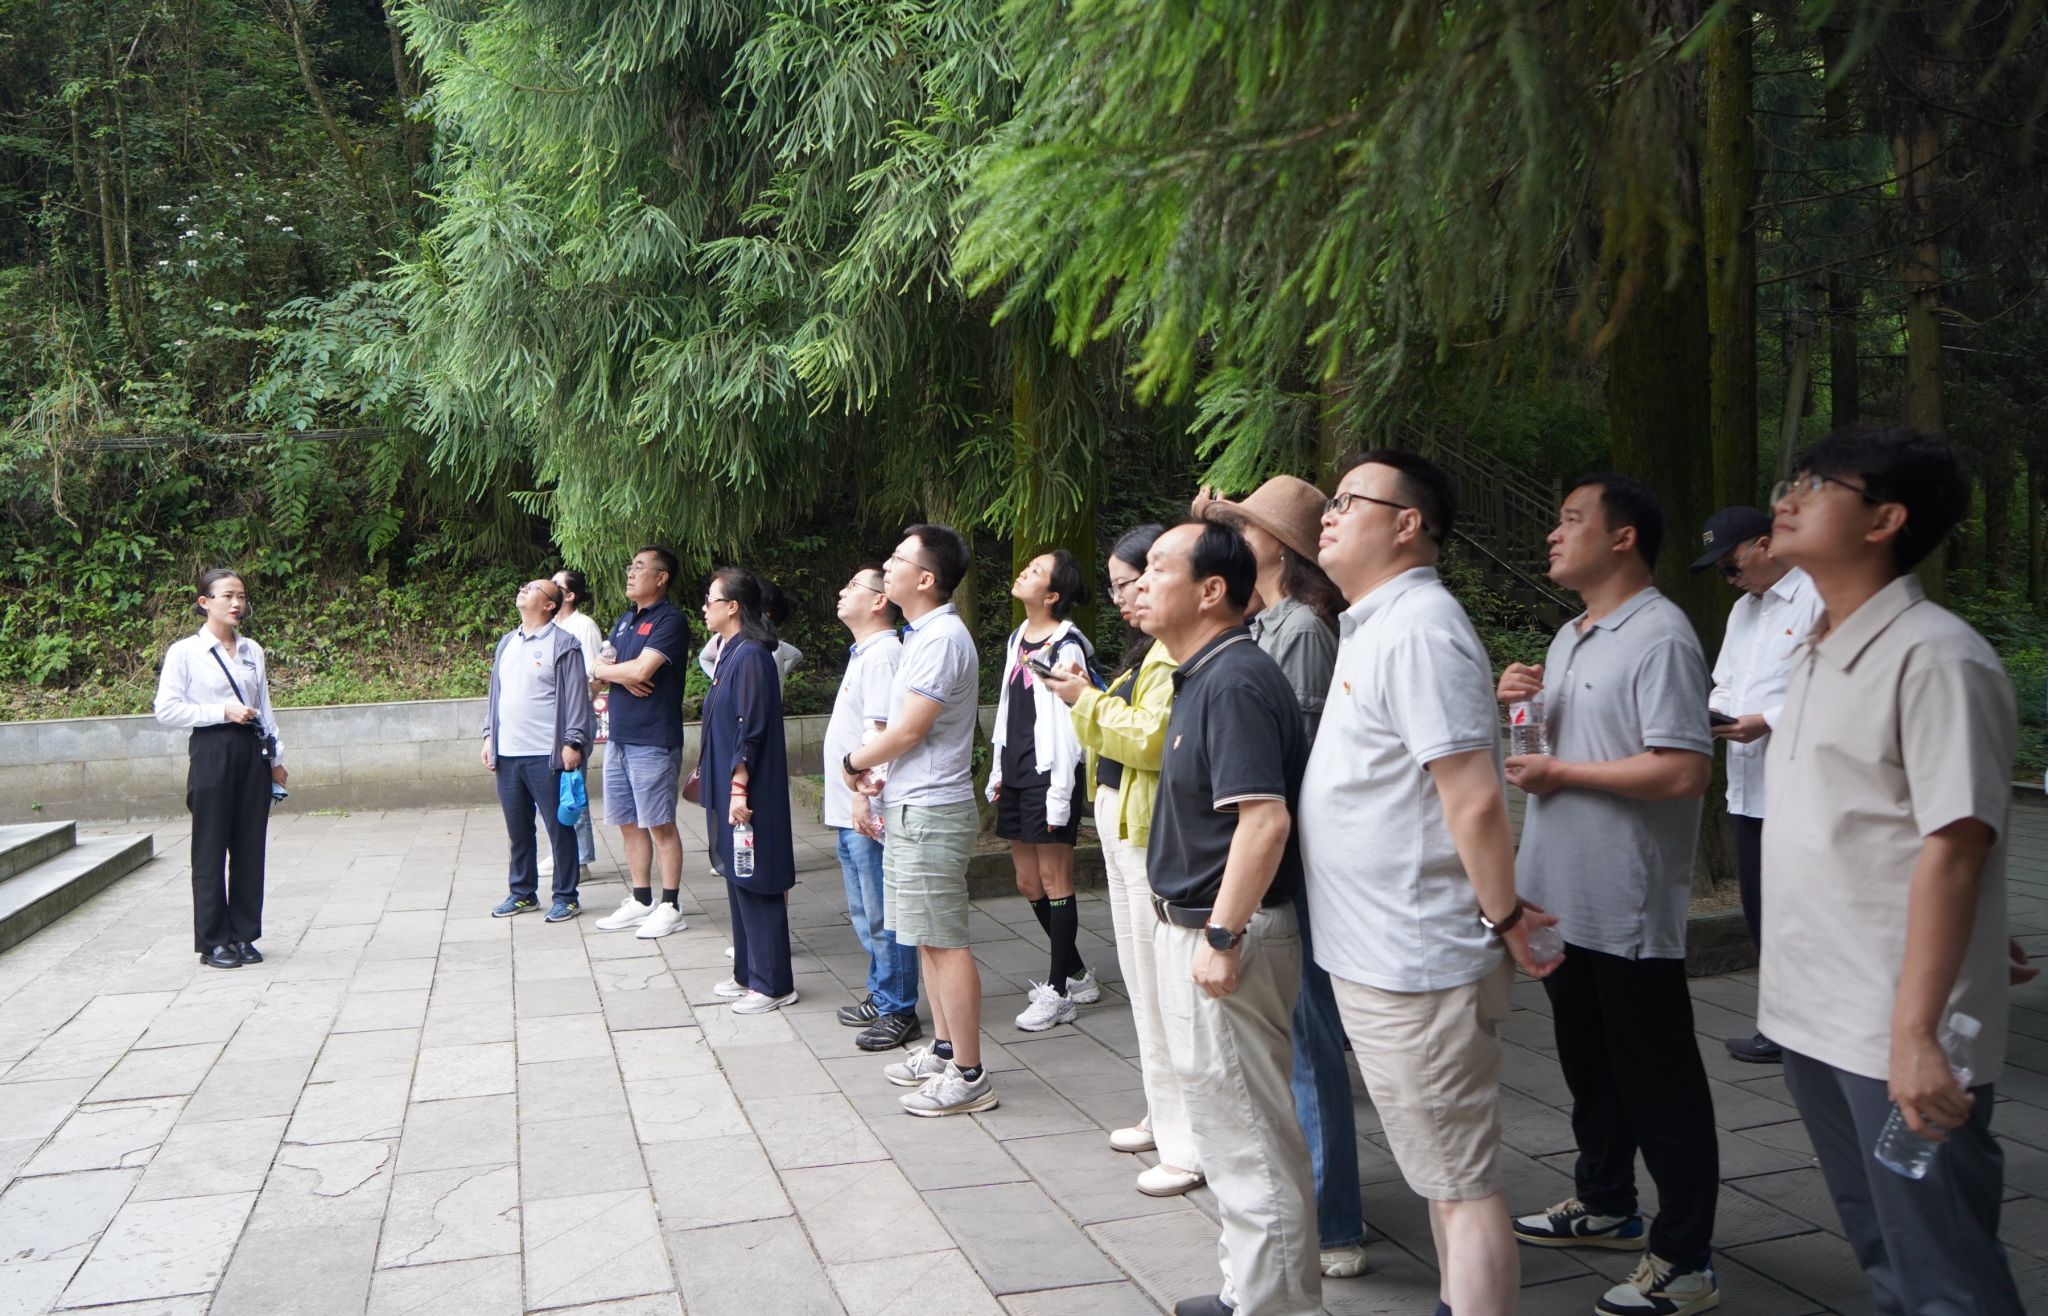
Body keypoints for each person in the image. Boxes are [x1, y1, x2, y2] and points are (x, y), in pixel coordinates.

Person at [1759, 428, 2026, 1314]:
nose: (1786, 500)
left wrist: (1915, 1036)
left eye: (1816, 486)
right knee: (1885, 1254)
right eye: (1791, 481)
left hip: (1891, 1029)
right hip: (1813, 1011)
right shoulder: (1817, 647)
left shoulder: (1938, 657)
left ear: (1885, 520)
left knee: (1945, 1272)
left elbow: (1956, 845)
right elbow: (1879, 828)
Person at [1306, 452, 1562, 1316]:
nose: (1329, 515)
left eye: (1348, 502)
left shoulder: (1420, 627)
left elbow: (1475, 797)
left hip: (1415, 958)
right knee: (1442, 1175)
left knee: (1459, 1181)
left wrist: (1505, 915)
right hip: (1381, 952)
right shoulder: (1377, 624)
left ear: (1407, 524)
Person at [1499, 475, 1720, 1316]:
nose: (1553, 534)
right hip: (1561, 896)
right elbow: (1567, 748)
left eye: (1571, 520)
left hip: (1626, 907)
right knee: (1589, 1067)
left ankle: (1685, 1259)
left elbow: (1683, 769)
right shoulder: (1570, 635)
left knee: (1660, 1086)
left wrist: (1562, 771)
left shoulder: (1660, 635)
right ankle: (1606, 1202)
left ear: (1624, 538)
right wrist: (1519, 707)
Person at [1135, 519, 1320, 1316]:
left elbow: (1264, 821)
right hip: (1202, 928)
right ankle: (1250, 1289)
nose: (1141, 582)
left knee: (1248, 1137)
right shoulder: (1203, 674)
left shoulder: (1235, 680)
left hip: (1225, 935)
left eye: (1158, 568)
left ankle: (1274, 1306)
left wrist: (1221, 934)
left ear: (1212, 590)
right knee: (1226, 1129)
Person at [1196, 476, 1367, 1278]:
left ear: (1281, 547)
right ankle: (1308, 1207)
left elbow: (1284, 766)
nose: (1235, 537)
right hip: (1282, 861)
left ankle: (1334, 1221)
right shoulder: (1267, 622)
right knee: (1295, 1037)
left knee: (1310, 1039)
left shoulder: (1298, 628)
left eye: (1248, 527)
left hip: (1297, 864)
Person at [1044, 524, 1204, 1198]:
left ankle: (1188, 1138)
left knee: (1164, 985)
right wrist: (1090, 699)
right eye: (1114, 588)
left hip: (1147, 832)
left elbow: (1152, 741)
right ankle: (1164, 1114)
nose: (1123, 599)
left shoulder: (1179, 656)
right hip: (1120, 822)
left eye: (1131, 583)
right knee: (1141, 980)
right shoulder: (1149, 652)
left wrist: (1085, 700)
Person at [841, 524, 994, 1116]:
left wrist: (854, 763)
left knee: (945, 941)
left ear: (926, 579)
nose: (888, 564)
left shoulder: (941, 639)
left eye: (898, 558)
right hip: (912, 804)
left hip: (932, 808)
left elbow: (908, 730)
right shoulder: (921, 635)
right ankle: (946, 1050)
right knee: (926, 938)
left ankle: (970, 1074)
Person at [1687, 507, 1821, 1064]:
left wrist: (1768, 720)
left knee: (1807, 911)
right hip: (1748, 786)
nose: (1729, 578)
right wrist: (1712, 714)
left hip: (1804, 786)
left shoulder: (1817, 597)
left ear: (1765, 544)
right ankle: (1783, 1026)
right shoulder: (1743, 611)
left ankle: (1820, 1030)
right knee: (1761, 908)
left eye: (1732, 564)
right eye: (1720, 570)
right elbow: (1725, 683)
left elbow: (1836, 686)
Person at [989, 548, 1103, 1031]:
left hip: (1050, 775)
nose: (1024, 572)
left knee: (1056, 881)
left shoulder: (1067, 646)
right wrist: (998, 768)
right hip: (1016, 770)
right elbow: (1007, 707)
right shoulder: (1019, 636)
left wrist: (1061, 789)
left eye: (1036, 571)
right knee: (1027, 882)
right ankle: (1076, 973)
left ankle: (1058, 992)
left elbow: (1071, 724)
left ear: (1053, 595)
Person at [154, 568, 286, 969]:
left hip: (252, 750)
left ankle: (244, 935)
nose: (236, 603)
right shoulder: (185, 652)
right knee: (210, 848)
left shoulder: (252, 650)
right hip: (212, 748)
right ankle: (213, 942)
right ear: (204, 602)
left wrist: (277, 760)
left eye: (241, 596)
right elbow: (166, 710)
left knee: (250, 847)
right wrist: (220, 711)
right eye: (227, 596)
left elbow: (264, 706)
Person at [824, 564, 920, 1050]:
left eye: (852, 586)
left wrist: (864, 797)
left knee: (882, 913)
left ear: (880, 601)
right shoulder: (867, 652)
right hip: (851, 808)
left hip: (866, 808)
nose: (842, 592)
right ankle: (883, 993)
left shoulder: (883, 654)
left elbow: (879, 736)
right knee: (866, 912)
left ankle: (899, 1007)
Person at [699, 568, 800, 1013]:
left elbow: (751, 727)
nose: (704, 607)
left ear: (733, 607)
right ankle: (748, 972)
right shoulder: (731, 652)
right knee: (737, 875)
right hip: (732, 788)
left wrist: (739, 788)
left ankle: (774, 983)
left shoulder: (753, 656)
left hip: (749, 789)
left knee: (757, 878)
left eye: (710, 599)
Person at [589, 546, 693, 938]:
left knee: (659, 823)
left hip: (653, 738)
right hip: (619, 737)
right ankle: (641, 899)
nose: (630, 573)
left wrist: (616, 671)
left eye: (639, 567)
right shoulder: (625, 620)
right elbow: (599, 671)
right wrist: (618, 672)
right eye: (629, 566)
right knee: (628, 823)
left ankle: (671, 905)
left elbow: (642, 670)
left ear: (661, 577)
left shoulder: (670, 620)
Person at [482, 578, 592, 922]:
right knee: (518, 830)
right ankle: (522, 893)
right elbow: (496, 694)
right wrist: (489, 735)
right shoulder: (507, 642)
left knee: (559, 828)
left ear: (549, 604)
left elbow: (577, 696)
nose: (523, 589)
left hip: (548, 754)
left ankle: (566, 896)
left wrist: (573, 741)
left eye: (533, 588)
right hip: (507, 753)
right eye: (524, 586)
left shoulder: (564, 644)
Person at [552, 567, 605, 883]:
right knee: (552, 787)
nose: (549, 586)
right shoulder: (549, 625)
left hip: (575, 715)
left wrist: (580, 707)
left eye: (556, 584)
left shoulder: (583, 626)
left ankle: (581, 859)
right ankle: (562, 851)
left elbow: (595, 674)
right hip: (551, 716)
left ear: (570, 595)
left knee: (572, 783)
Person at [698, 580, 804, 687]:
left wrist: (775, 676)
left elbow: (796, 655)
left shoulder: (762, 651)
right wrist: (718, 679)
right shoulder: (722, 639)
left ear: (766, 614)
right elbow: (704, 658)